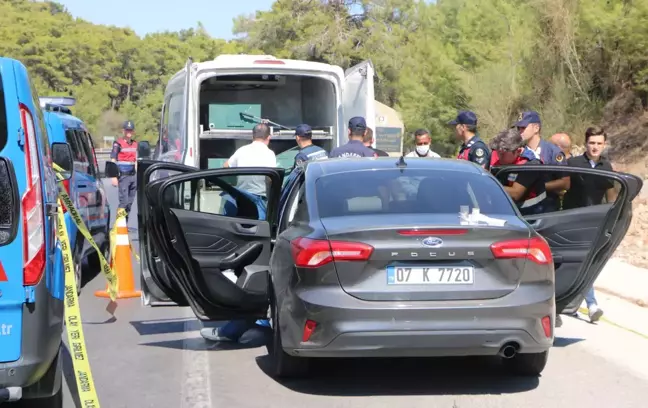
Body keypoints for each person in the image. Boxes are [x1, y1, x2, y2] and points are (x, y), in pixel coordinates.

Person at [200, 123, 277, 344]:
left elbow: (225, 166)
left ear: (252, 136)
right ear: (268, 138)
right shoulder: (269, 154)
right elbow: (271, 179)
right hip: (258, 204)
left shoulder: (242, 151)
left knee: (237, 253)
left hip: (238, 203)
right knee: (259, 255)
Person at [563, 127, 617, 323]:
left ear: (604, 145)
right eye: (592, 143)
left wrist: (614, 219)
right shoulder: (573, 163)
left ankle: (586, 303)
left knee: (587, 263)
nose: (595, 147)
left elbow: (611, 197)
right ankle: (589, 304)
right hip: (571, 220)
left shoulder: (606, 167)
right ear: (586, 143)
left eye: (599, 143)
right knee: (577, 262)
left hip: (595, 223)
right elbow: (563, 188)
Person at [514, 111, 569, 212]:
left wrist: (539, 187)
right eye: (518, 128)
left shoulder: (552, 152)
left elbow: (565, 182)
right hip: (521, 208)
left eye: (523, 127)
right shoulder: (517, 150)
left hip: (545, 208)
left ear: (536, 128)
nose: (520, 131)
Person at [490, 128, 547, 215]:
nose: (499, 156)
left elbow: (516, 194)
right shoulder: (501, 158)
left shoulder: (531, 164)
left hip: (531, 215)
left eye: (503, 154)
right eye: (498, 152)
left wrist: (488, 184)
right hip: (508, 211)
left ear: (518, 151)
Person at [110, 120, 138, 220]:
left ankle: (124, 224)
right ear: (123, 131)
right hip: (123, 176)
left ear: (133, 131)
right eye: (127, 130)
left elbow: (136, 161)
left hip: (133, 176)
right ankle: (119, 223)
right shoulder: (118, 143)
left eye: (130, 130)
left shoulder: (135, 144)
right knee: (124, 202)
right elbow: (113, 159)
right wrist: (113, 176)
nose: (128, 132)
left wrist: (137, 176)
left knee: (130, 203)